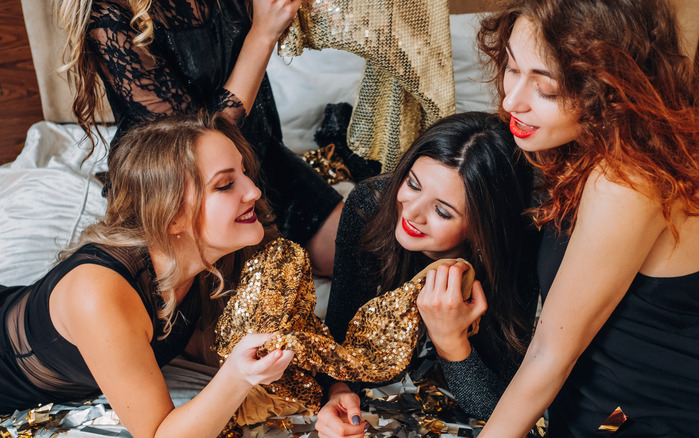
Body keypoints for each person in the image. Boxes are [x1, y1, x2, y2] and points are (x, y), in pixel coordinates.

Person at [472, 0, 699, 436]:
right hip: (607, 403)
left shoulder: (627, 178)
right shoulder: (575, 142)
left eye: (548, 89)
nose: (512, 100)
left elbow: (550, 352)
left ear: (608, 87)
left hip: (675, 409)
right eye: (511, 67)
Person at [0, 112, 295, 438]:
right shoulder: (100, 294)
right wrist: (236, 377)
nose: (253, 191)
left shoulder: (213, 255)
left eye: (245, 173)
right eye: (225, 185)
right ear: (171, 218)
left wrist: (334, 393)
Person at [57, 0, 343, 276]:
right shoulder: (109, 13)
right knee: (246, 298)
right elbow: (195, 144)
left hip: (257, 153)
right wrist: (263, 34)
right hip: (186, 189)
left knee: (359, 253)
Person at [315, 111, 541, 437]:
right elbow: (341, 340)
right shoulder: (370, 205)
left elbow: (503, 414)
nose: (411, 212)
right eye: (413, 184)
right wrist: (338, 395)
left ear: (482, 229)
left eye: (442, 211)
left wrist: (451, 342)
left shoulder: (520, 247)